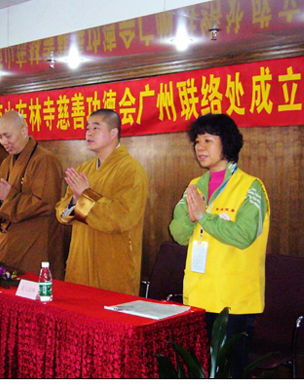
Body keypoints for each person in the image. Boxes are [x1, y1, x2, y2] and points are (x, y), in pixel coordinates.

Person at [169, 113, 270, 377]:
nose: (199, 147)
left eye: (208, 140)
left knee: (229, 372)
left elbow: (244, 235)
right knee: (199, 370)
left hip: (233, 300)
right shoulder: (194, 186)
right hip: (198, 294)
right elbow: (178, 233)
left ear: (227, 143)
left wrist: (204, 217)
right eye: (197, 141)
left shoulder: (251, 187)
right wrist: (192, 219)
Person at [55, 109, 149, 295]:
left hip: (112, 264)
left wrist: (85, 195)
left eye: (96, 128)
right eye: (87, 128)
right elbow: (62, 215)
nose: (89, 133)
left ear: (113, 133)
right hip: (80, 261)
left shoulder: (131, 170)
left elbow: (120, 218)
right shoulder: (84, 169)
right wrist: (75, 200)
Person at [0, 111, 65, 279]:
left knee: (33, 287)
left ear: (24, 130)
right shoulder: (7, 162)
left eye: (8, 136)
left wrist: (8, 197)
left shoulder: (45, 160)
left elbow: (45, 203)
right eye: (0, 137)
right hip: (9, 241)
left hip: (35, 243)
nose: (4, 142)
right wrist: (0, 199)